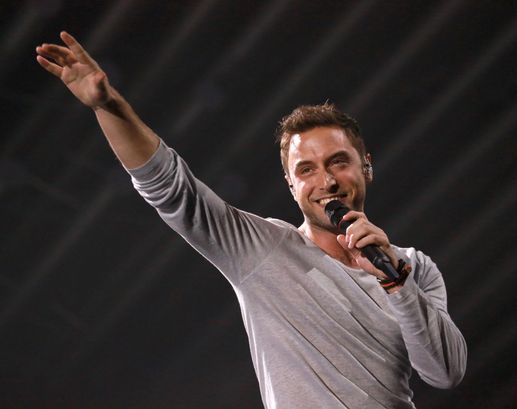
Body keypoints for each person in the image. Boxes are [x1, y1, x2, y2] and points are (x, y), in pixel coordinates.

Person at [36, 32, 467, 409]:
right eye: (307, 169)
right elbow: (171, 188)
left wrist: (397, 283)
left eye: (339, 162)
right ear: (291, 185)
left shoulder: (414, 267)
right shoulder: (264, 249)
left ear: (366, 165)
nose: (327, 181)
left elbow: (444, 373)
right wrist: (109, 106)